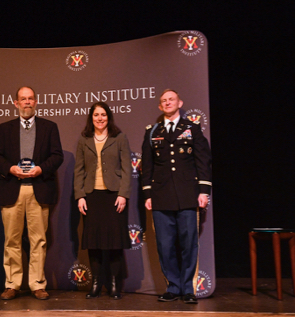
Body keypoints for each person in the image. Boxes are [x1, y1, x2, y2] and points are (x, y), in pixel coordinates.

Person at [0, 86, 63, 300]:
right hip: (12, 189)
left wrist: (41, 169)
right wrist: (10, 169)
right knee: (11, 240)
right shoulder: (5, 128)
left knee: (38, 240)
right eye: (23, 99)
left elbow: (57, 156)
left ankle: (37, 284)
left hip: (38, 189)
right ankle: (12, 284)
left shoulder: (50, 127)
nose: (27, 102)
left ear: (36, 102)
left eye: (31, 98)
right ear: (16, 103)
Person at [141, 89, 212, 304]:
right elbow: (147, 165)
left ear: (179, 102)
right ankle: (172, 287)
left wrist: (204, 191)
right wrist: (147, 193)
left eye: (171, 99)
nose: (167, 102)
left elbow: (203, 161)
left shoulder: (192, 128)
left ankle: (188, 289)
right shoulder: (153, 131)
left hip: (187, 195)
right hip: (161, 196)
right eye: (163, 101)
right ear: (160, 107)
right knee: (165, 244)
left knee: (189, 243)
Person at [73, 102, 131, 300]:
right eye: (96, 115)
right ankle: (96, 284)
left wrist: (123, 194)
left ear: (109, 117)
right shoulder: (84, 139)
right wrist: (80, 195)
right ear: (91, 117)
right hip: (91, 197)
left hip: (114, 197)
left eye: (103, 115)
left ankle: (114, 285)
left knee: (115, 243)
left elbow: (126, 169)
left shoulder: (120, 137)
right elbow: (78, 170)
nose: (100, 118)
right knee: (94, 243)